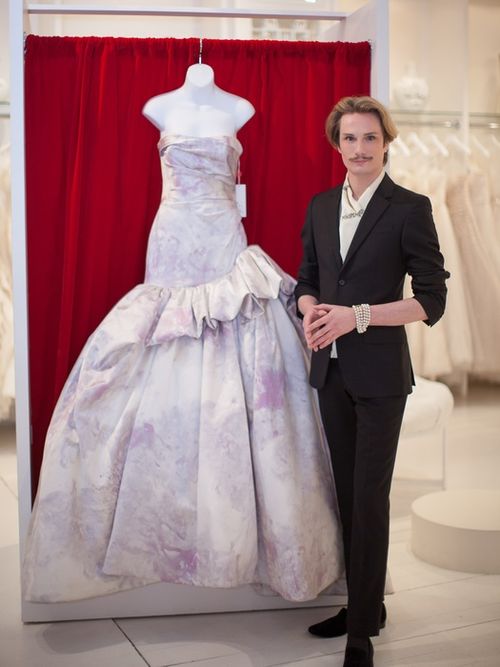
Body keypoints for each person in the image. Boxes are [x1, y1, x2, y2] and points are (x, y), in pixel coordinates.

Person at [22, 63, 344, 604]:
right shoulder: (158, 107)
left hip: (222, 235)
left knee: (236, 341)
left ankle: (241, 534)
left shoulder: (239, 108)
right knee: (165, 344)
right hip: (172, 236)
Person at [295, 96, 449, 667]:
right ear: (336, 145)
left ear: (386, 143)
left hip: (381, 376)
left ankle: (360, 632)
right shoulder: (319, 206)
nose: (359, 149)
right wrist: (310, 310)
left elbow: (431, 300)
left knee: (370, 497)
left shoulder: (409, 207)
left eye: (370, 138)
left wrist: (355, 316)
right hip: (330, 371)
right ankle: (365, 605)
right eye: (350, 138)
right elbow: (307, 279)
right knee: (346, 494)